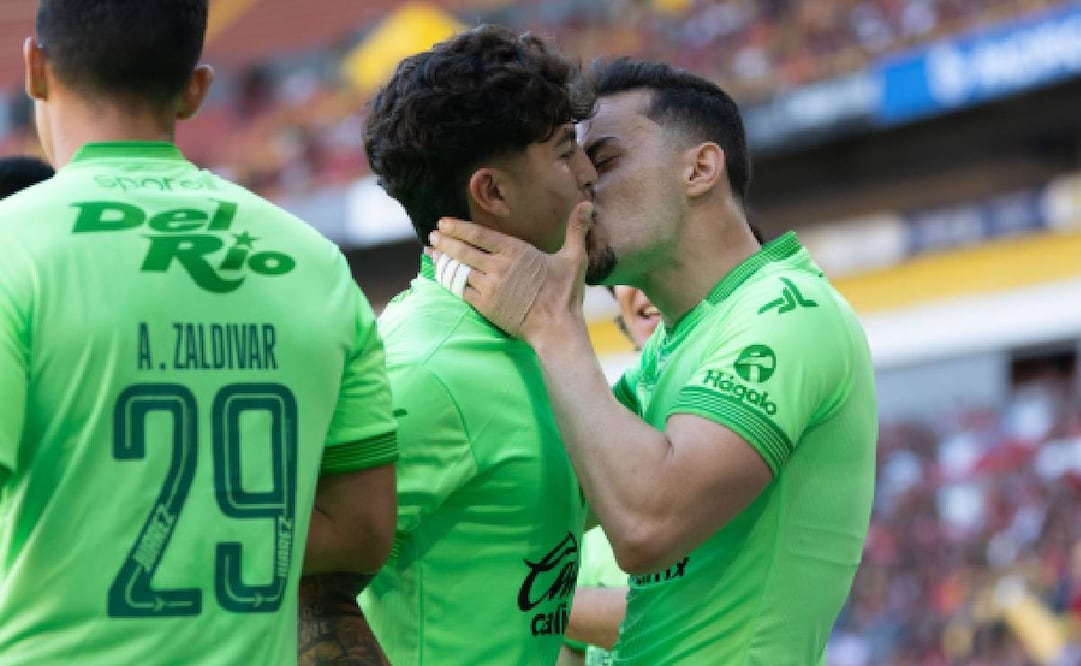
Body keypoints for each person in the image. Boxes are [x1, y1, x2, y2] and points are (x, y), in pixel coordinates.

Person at [431, 57, 878, 664]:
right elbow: (544, 501)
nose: (582, 184)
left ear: (699, 168)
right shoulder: (674, 343)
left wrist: (551, 323)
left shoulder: (787, 311)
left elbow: (647, 526)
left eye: (605, 160)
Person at [0, 1, 398, 663]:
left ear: (36, 69)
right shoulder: (313, 260)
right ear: (195, 88)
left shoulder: (10, 247)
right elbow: (361, 530)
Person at [304, 25, 596, 665]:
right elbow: (283, 565)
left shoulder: (531, 337)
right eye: (564, 150)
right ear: (492, 192)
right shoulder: (423, 370)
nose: (588, 172)